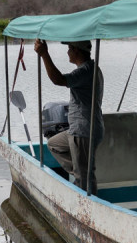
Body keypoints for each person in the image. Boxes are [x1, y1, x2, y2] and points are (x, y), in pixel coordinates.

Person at [33, 39, 104, 193]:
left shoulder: (85, 71)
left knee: (84, 178)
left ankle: (87, 205)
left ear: (76, 50)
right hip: (80, 129)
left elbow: (58, 79)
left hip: (83, 129)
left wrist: (44, 54)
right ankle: (82, 170)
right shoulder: (92, 68)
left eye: (69, 48)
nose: (67, 52)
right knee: (54, 144)